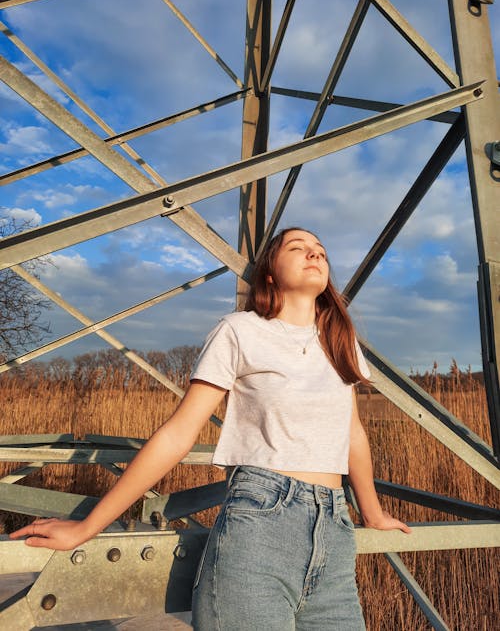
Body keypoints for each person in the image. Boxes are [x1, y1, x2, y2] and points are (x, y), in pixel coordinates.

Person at [10, 227, 410, 630]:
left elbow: (352, 432)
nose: (315, 255)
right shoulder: (239, 330)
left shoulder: (341, 340)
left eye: (321, 251)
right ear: (269, 273)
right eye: (298, 248)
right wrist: (87, 527)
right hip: (261, 525)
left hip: (334, 530)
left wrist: (371, 513)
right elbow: (178, 434)